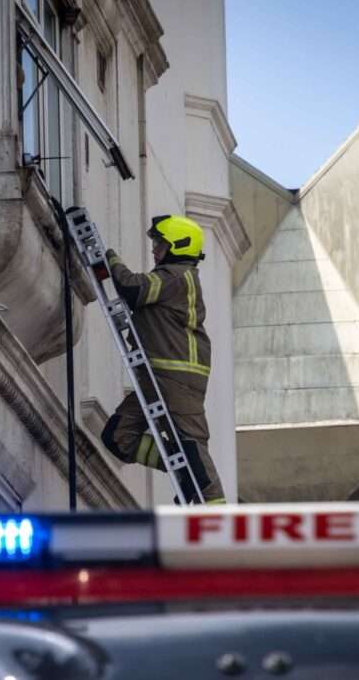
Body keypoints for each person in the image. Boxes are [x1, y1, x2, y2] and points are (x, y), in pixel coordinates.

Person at [100, 214, 225, 504]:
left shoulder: (177, 276)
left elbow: (133, 288)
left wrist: (109, 258)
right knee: (118, 437)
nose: (154, 249)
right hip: (157, 376)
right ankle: (180, 470)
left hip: (177, 377)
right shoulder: (176, 277)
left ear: (177, 246)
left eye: (160, 243)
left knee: (193, 450)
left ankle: (217, 516)